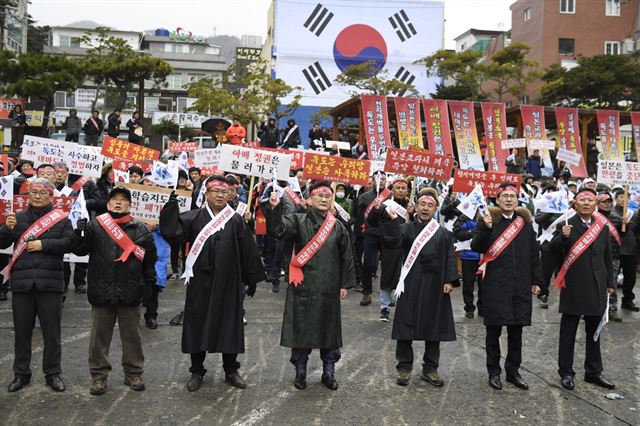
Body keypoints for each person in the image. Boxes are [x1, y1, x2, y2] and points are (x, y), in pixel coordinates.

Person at [159, 175, 264, 392]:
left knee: (229, 324)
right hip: (200, 282)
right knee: (197, 322)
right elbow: (172, 233)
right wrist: (170, 208)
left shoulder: (235, 220)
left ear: (230, 195)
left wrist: (250, 278)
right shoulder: (194, 217)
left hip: (229, 282)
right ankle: (197, 370)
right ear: (206, 194)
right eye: (215, 191)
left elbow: (247, 251)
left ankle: (231, 370)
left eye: (224, 192)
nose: (220, 195)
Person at [265, 180, 355, 391]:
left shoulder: (338, 226)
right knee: (301, 330)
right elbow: (278, 230)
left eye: (327, 196)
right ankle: (300, 372)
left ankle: (329, 372)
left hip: (329, 286)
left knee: (329, 330)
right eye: (319, 195)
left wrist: (344, 284)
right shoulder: (298, 220)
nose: (324, 199)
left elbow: (347, 256)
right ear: (310, 198)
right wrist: (276, 208)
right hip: (303, 286)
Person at [74, 186, 157, 395]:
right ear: (108, 203)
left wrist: (149, 285)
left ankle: (134, 373)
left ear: (130, 205)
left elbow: (149, 261)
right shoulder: (95, 226)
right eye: (114, 199)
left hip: (130, 292)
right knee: (98, 339)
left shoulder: (141, 229)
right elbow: (80, 250)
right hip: (102, 291)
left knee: (132, 337)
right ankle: (98, 377)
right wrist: (79, 233)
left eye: (123, 199)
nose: (118, 202)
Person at [0, 178, 75, 393]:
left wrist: (44, 244)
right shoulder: (18, 218)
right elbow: (2, 242)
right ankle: (21, 374)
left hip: (50, 285)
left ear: (52, 196)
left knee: (52, 333)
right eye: (34, 192)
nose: (38, 196)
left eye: (43, 192)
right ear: (29, 195)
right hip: (23, 285)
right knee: (22, 332)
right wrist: (6, 228)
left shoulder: (61, 219)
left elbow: (70, 243)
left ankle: (53, 373)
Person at [380, 187, 458, 387]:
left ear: (435, 209)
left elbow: (450, 257)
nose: (425, 208)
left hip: (435, 285)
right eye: (422, 204)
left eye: (430, 205)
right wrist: (394, 221)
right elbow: (393, 243)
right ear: (415, 205)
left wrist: (449, 280)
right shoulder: (406, 228)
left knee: (434, 328)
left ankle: (430, 369)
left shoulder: (443, 233)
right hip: (411, 283)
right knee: (406, 325)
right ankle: (404, 368)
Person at [471, 183, 542, 391]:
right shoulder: (490, 221)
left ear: (517, 200)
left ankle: (513, 372)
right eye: (504, 196)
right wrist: (484, 228)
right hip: (495, 285)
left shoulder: (525, 225)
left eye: (512, 196)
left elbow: (533, 255)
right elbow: (477, 246)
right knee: (493, 332)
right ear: (497, 200)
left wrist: (537, 281)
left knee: (516, 332)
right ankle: (494, 372)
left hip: (519, 286)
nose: (509, 200)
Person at [549, 187, 615, 391]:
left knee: (594, 332)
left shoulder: (602, 227)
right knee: (568, 332)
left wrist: (610, 283)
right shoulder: (565, 225)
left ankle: (593, 372)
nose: (586, 203)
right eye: (582, 199)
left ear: (595, 204)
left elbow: (607, 257)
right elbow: (552, 251)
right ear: (575, 204)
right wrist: (562, 238)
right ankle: (566, 372)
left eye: (590, 199)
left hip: (597, 285)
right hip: (574, 285)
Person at [368, 178, 410, 321]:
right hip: (389, 245)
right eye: (397, 188)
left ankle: (404, 307)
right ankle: (384, 307)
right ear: (392, 190)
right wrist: (376, 209)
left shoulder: (413, 205)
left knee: (405, 277)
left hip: (407, 247)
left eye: (403, 188)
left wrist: (412, 214)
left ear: (407, 190)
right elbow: (373, 222)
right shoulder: (385, 205)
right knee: (387, 276)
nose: (400, 190)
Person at [356, 170, 388, 306]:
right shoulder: (364, 197)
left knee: (388, 266)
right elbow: (360, 216)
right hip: (371, 233)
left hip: (388, 235)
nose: (381, 181)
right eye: (379, 179)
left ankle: (386, 295)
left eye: (384, 179)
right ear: (373, 180)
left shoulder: (390, 195)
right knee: (368, 264)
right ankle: (366, 292)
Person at [594, 192, 623, 322]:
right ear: (598, 203)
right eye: (604, 202)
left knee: (612, 283)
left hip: (613, 255)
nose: (607, 204)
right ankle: (593, 308)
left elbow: (623, 236)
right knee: (594, 282)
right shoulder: (592, 217)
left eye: (609, 202)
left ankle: (611, 310)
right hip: (596, 255)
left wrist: (626, 226)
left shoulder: (618, 218)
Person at [612, 189, 639, 312]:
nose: (623, 199)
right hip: (616, 251)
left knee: (630, 278)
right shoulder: (611, 213)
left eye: (625, 197)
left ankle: (628, 301)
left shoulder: (634, 214)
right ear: (616, 199)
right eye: (620, 197)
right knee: (612, 279)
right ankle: (611, 304)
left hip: (631, 250)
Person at [453, 211, 483, 318]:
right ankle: (469, 307)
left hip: (483, 257)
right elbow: (458, 234)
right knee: (468, 284)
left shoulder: (486, 214)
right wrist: (474, 232)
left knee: (484, 284)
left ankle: (482, 307)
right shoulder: (463, 217)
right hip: (468, 256)